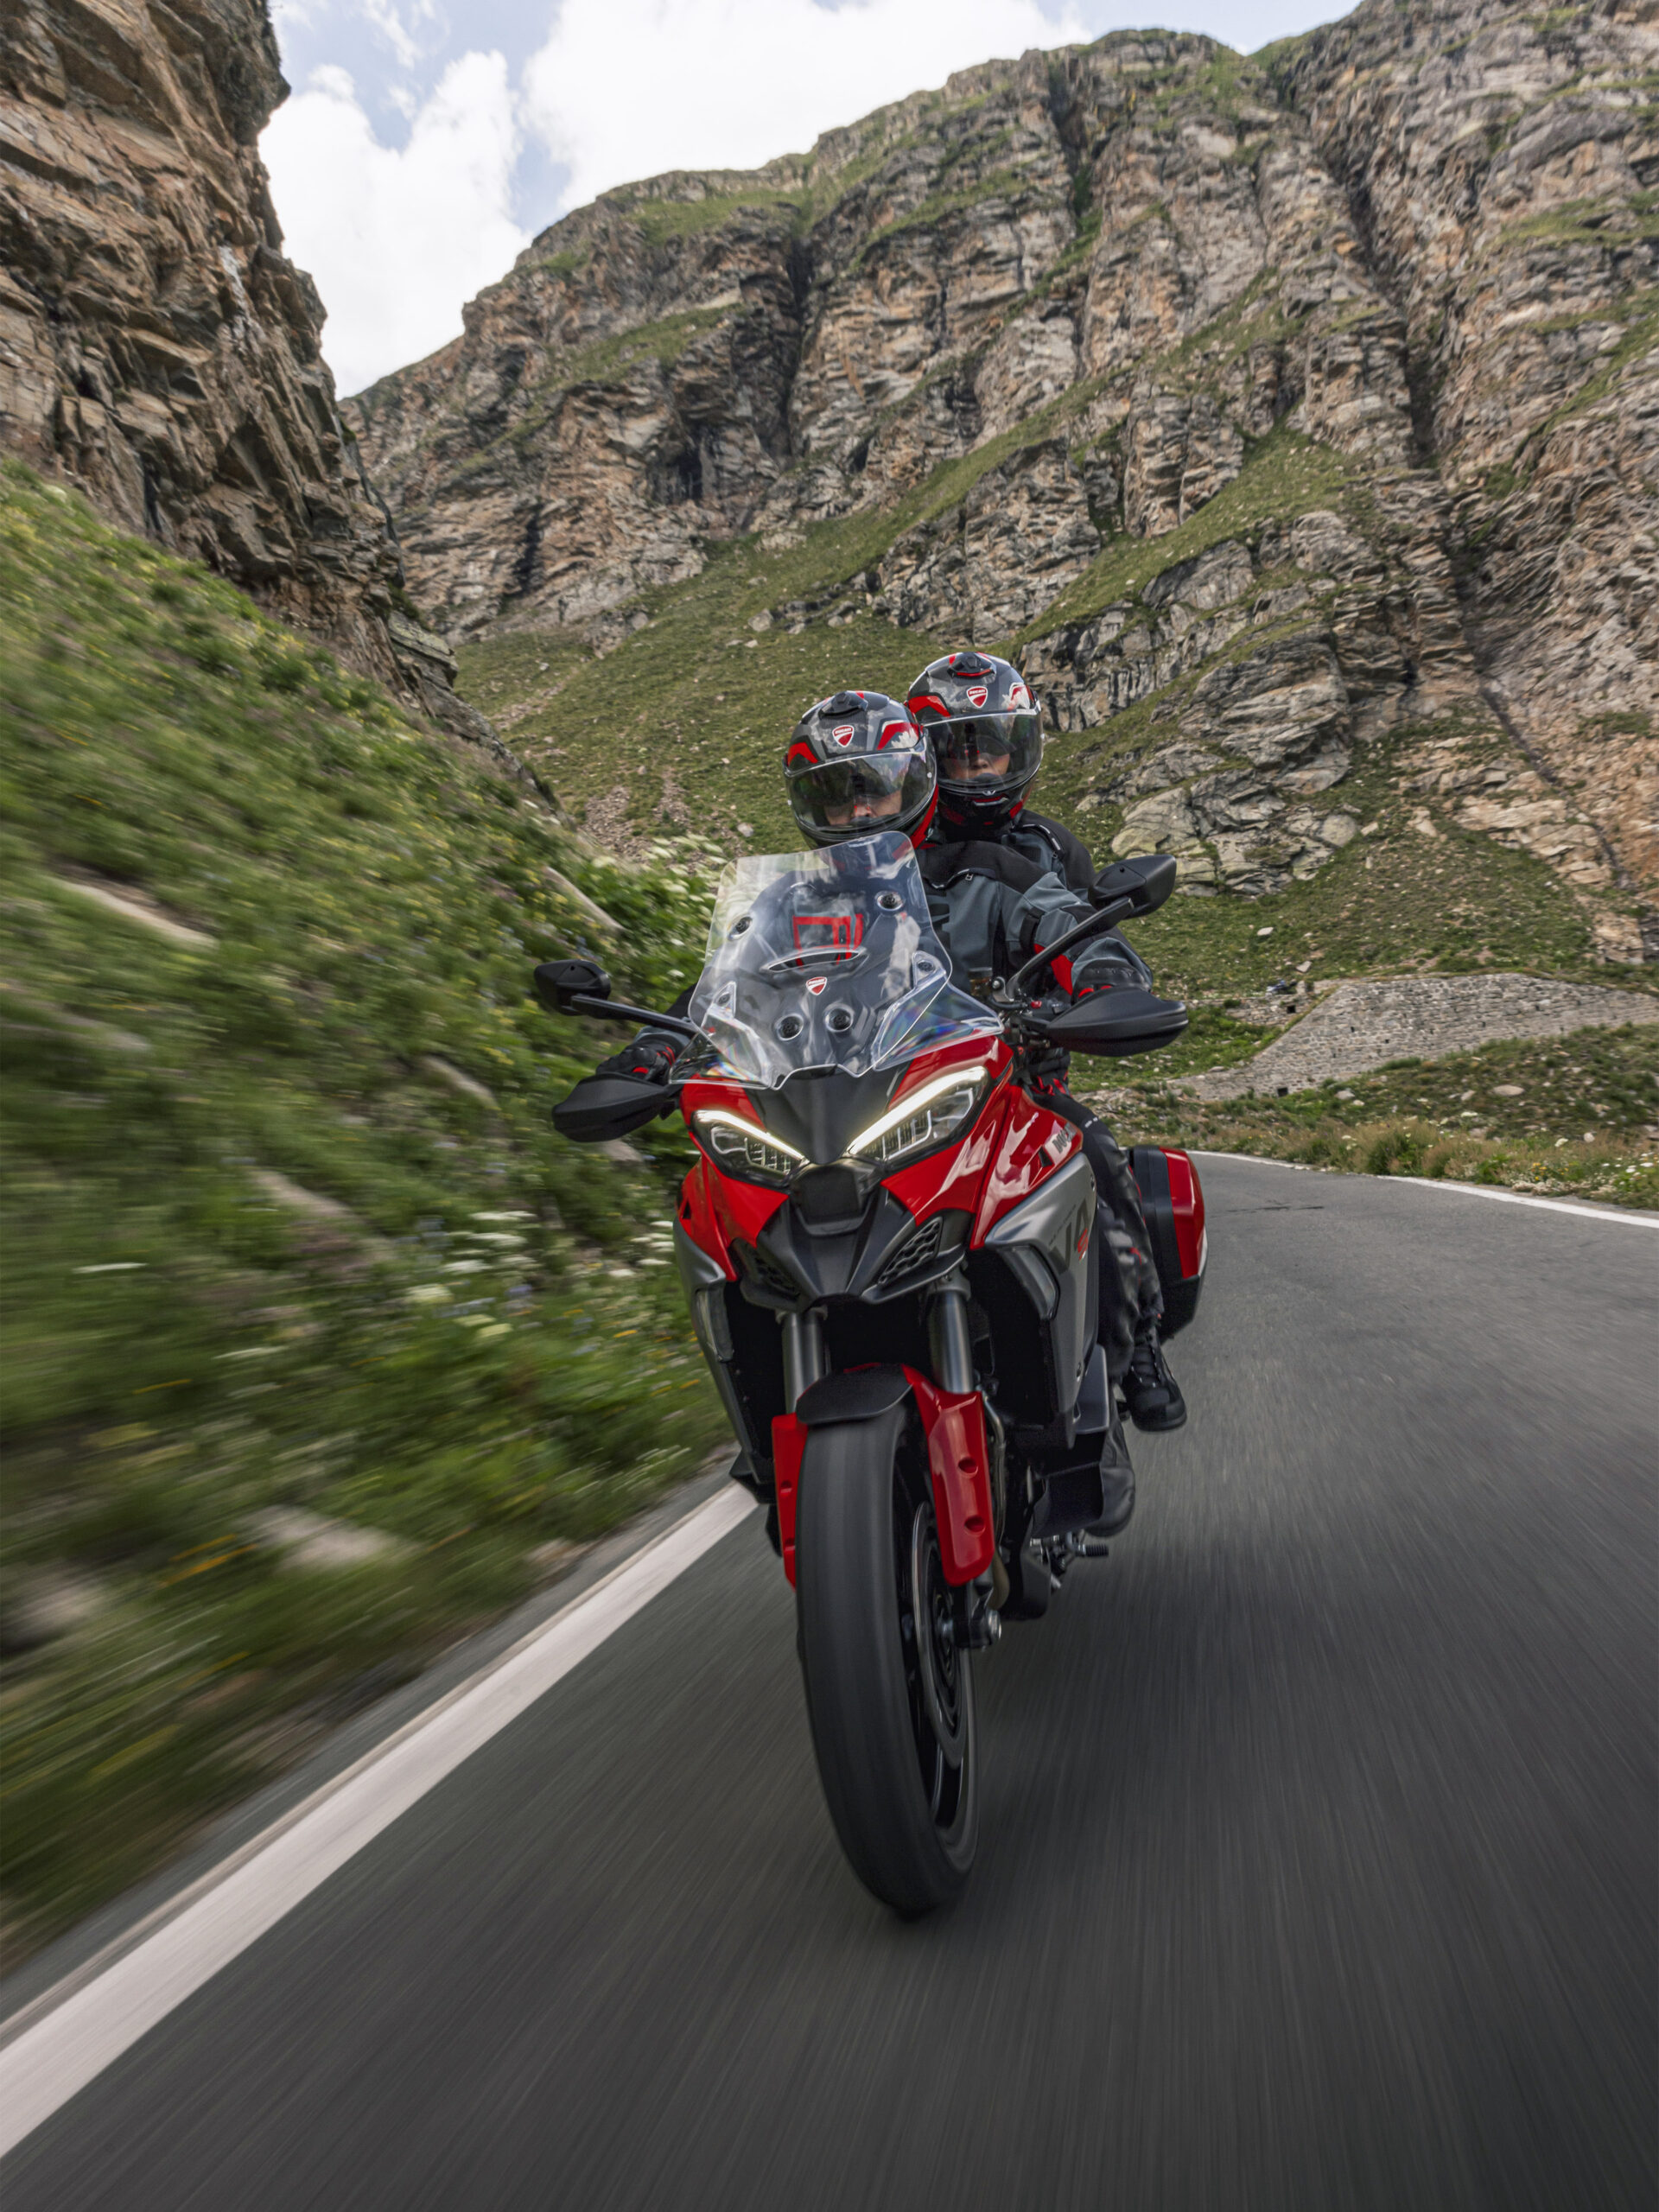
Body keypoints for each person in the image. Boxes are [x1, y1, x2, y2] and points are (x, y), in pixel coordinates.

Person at [906, 650, 1186, 1435]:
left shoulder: (1050, 849)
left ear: (1021, 750)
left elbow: (1076, 931)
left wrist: (1095, 989)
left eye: (991, 748)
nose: (976, 767)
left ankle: (1138, 1343)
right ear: (921, 757)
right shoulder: (885, 852)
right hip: (897, 1086)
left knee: (1097, 1163)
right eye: (957, 751)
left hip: (1019, 1086)